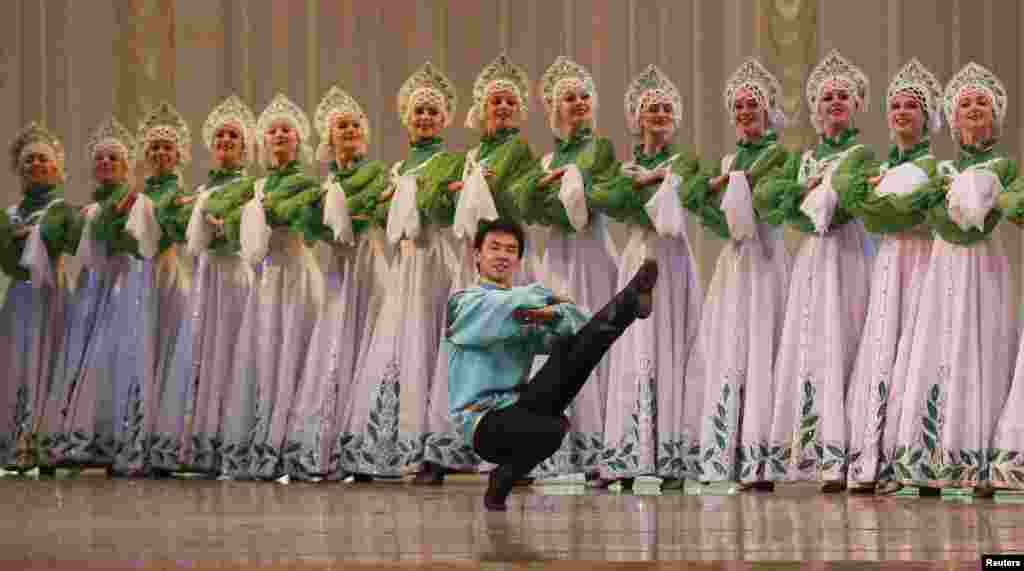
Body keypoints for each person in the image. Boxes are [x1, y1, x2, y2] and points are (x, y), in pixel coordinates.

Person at [445, 218, 658, 511]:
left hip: (520, 406)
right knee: (551, 427)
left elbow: (575, 328)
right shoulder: (463, 303)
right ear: (477, 255)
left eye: (511, 250)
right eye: (494, 248)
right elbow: (501, 308)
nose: (502, 256)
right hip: (480, 422)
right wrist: (544, 300)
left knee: (575, 353)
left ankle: (628, 303)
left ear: (518, 260)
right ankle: (504, 476)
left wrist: (551, 316)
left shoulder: (526, 305)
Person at [889, 62, 1017, 498]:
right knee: (937, 344)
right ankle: (932, 461)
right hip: (943, 261)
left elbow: (1004, 209)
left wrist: (995, 196)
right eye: (965, 103)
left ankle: (980, 462)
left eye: (982, 102)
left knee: (981, 345)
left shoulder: (1004, 165)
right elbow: (913, 207)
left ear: (994, 115)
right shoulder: (940, 170)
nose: (974, 108)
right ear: (954, 116)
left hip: (982, 263)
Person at [333, 62, 465, 481]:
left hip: (437, 258)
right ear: (406, 119)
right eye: (418, 111)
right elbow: (378, 213)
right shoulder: (395, 169)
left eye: (432, 111)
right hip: (406, 263)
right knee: (396, 346)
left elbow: (446, 208)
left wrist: (413, 195)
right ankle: (384, 448)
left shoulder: (453, 162)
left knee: (431, 344)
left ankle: (435, 452)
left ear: (445, 119)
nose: (425, 117)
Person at [754, 50, 874, 492]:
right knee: (810, 341)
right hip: (811, 255)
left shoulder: (863, 154)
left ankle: (847, 454)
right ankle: (811, 451)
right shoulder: (803, 157)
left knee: (845, 336)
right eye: (827, 97)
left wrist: (812, 195)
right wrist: (807, 196)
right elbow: (786, 206)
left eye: (843, 95)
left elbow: (846, 204)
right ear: (815, 108)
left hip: (848, 255)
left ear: (857, 104)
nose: (835, 102)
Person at [416, 53, 538, 484]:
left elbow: (497, 184)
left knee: (507, 349)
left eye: (509, 102)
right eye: (494, 101)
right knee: (463, 353)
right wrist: (459, 185)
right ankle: (445, 450)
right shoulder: (465, 156)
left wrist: (461, 186)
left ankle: (512, 453)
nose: (502, 107)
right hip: (471, 262)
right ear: (480, 109)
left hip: (504, 256)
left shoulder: (517, 149)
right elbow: (431, 200)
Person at [677, 57, 791, 490]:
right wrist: (714, 189)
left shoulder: (778, 155)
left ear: (767, 111)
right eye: (739, 106)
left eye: (753, 106)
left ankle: (760, 457)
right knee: (729, 345)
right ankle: (726, 451)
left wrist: (726, 183)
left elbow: (761, 201)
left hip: (764, 256)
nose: (745, 113)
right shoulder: (729, 159)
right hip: (735, 257)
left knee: (761, 345)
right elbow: (716, 212)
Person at [588, 64, 703, 490]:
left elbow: (685, 194)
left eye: (666, 107)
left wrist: (654, 180)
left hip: (671, 257)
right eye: (651, 108)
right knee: (633, 343)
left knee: (671, 341)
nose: (659, 113)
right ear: (637, 118)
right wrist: (655, 188)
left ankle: (670, 458)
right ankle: (626, 457)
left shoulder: (685, 160)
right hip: (638, 252)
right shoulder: (625, 164)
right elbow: (616, 202)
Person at [510, 56, 620, 479]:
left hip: (590, 252)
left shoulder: (600, 148)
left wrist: (554, 190)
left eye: (583, 97)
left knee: (589, 335)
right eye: (568, 98)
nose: (577, 103)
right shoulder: (546, 159)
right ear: (555, 109)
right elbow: (530, 205)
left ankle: (598, 446)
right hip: (556, 254)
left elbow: (585, 199)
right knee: (555, 338)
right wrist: (548, 191)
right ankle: (551, 446)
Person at [839, 59, 943, 495]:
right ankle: (871, 459)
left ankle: (918, 457)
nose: (902, 113)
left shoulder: (937, 168)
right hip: (889, 260)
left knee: (916, 350)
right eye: (896, 106)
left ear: (927, 118)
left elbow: (912, 210)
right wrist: (870, 198)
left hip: (920, 260)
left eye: (911, 107)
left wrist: (876, 205)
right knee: (882, 347)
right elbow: (863, 207)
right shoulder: (874, 168)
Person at [175, 94, 259, 474]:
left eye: (233, 137)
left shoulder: (250, 187)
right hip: (207, 275)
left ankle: (232, 440)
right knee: (204, 349)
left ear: (244, 147)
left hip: (233, 273)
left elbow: (246, 235)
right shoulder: (203, 189)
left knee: (230, 348)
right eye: (220, 137)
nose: (225, 142)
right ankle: (202, 444)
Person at [0, 122, 79, 470]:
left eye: (42, 160)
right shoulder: (9, 214)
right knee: (17, 359)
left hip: (53, 293)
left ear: (56, 168)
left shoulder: (63, 209)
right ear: (19, 169)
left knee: (52, 356)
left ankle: (49, 442)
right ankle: (17, 441)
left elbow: (68, 241)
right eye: (29, 160)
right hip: (21, 294)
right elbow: (8, 262)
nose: (35, 166)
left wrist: (31, 234)